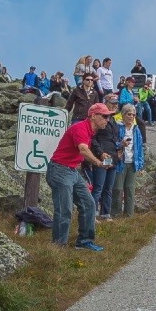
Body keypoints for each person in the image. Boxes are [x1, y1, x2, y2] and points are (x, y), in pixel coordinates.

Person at [50, 104, 112, 251]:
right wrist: (97, 162)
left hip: (71, 171)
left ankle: (84, 241)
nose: (107, 120)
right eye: (104, 116)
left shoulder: (89, 132)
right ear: (93, 116)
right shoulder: (80, 128)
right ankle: (58, 246)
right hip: (59, 169)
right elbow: (83, 150)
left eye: (108, 117)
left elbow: (84, 149)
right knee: (64, 209)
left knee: (89, 204)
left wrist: (100, 155)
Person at [112, 104, 146, 217]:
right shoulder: (117, 128)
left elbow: (140, 148)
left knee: (130, 189)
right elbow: (112, 144)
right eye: (129, 114)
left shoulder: (136, 130)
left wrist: (140, 165)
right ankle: (115, 214)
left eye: (133, 115)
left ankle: (129, 215)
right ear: (123, 115)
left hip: (132, 163)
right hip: (120, 163)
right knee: (117, 189)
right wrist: (120, 144)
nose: (131, 117)